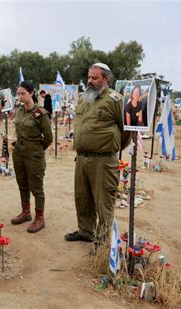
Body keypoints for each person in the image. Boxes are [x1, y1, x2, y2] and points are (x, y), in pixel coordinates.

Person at [65, 63, 130, 246]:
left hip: (103, 161)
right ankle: (85, 231)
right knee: (82, 198)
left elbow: (126, 131)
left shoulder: (115, 100)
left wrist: (111, 148)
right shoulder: (84, 98)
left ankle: (102, 241)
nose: (90, 81)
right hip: (82, 158)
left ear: (106, 79)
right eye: (89, 77)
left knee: (103, 202)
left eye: (95, 78)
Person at [11, 81, 52, 233]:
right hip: (19, 151)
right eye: (19, 93)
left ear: (31, 94)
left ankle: (40, 217)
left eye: (23, 93)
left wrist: (37, 149)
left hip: (33, 153)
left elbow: (48, 137)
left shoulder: (40, 113)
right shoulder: (20, 110)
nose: (20, 96)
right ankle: (26, 212)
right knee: (22, 183)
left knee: (36, 186)